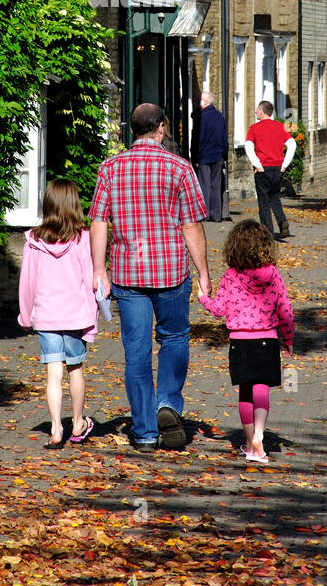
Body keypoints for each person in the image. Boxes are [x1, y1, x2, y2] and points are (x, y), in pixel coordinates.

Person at [89, 102, 211, 452]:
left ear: (132, 130)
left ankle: (143, 432)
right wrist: (203, 273)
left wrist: (99, 270)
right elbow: (191, 225)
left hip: (128, 277)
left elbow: (99, 221)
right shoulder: (179, 168)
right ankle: (168, 403)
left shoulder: (110, 169)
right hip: (171, 273)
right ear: (161, 127)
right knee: (173, 339)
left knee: (137, 354)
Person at [199, 220, 294, 464]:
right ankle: (260, 436)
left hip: (239, 341)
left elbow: (219, 309)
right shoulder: (272, 274)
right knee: (262, 389)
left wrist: (203, 298)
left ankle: (251, 443)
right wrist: (289, 338)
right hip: (267, 338)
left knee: (245, 392)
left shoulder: (231, 276)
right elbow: (284, 308)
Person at [17, 178, 98, 449]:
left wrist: (25, 316)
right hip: (76, 316)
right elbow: (89, 281)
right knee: (75, 369)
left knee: (54, 374)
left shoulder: (34, 241)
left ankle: (55, 429)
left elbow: (27, 282)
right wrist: (92, 321)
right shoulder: (82, 238)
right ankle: (77, 423)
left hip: (47, 316)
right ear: (74, 204)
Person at [244, 101, 296, 240]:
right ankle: (282, 221)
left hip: (263, 168)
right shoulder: (280, 127)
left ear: (261, 111)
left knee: (264, 203)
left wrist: (257, 164)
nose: (256, 113)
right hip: (278, 168)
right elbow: (292, 144)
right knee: (274, 197)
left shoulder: (254, 128)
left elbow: (248, 147)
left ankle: (268, 233)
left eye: (256, 110)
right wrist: (284, 165)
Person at [194, 91, 229, 221]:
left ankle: (205, 213)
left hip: (204, 156)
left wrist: (196, 157)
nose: (198, 103)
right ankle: (216, 214)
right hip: (218, 155)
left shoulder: (202, 117)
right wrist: (223, 154)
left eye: (200, 100)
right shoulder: (220, 116)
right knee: (216, 185)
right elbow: (225, 137)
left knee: (204, 185)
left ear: (205, 102)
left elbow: (199, 139)